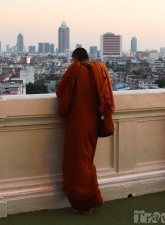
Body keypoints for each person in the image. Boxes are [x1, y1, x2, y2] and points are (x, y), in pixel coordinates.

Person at [56, 48, 114, 214]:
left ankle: (83, 203)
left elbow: (60, 91)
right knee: (86, 160)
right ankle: (94, 196)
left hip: (77, 122)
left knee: (77, 163)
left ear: (75, 60)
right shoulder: (98, 70)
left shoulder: (75, 69)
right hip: (93, 123)